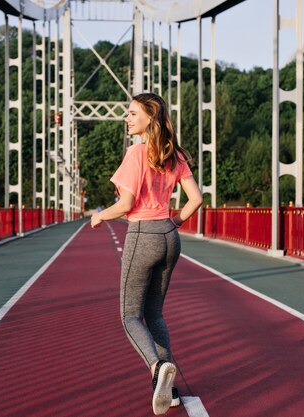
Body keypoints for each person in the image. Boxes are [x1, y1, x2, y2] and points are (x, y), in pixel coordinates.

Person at [90, 93, 203, 415]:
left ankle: (156, 368)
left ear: (149, 119)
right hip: (169, 237)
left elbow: (125, 205)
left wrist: (100, 216)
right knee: (154, 314)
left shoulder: (136, 153)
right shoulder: (174, 155)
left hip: (142, 234)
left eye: (132, 113)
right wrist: (173, 223)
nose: (127, 118)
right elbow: (196, 199)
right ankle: (170, 386)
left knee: (129, 315)